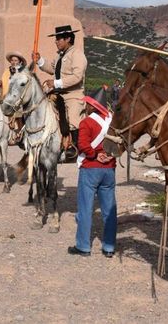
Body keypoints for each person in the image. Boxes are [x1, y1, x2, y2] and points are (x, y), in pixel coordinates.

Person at [68, 89, 117, 257]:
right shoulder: (112, 122)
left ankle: (83, 246)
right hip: (109, 169)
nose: (86, 106)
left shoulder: (86, 122)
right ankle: (109, 247)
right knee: (109, 210)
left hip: (90, 168)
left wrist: (95, 154)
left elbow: (82, 145)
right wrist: (108, 156)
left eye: (87, 104)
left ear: (92, 105)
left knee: (85, 208)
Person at [33, 25, 88, 161]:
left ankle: (73, 148)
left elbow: (77, 77)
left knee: (73, 119)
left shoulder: (77, 54)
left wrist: (56, 83)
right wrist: (39, 60)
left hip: (72, 94)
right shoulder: (59, 55)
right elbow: (52, 69)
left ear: (68, 39)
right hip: (57, 93)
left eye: (59, 39)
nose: (56, 42)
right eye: (56, 39)